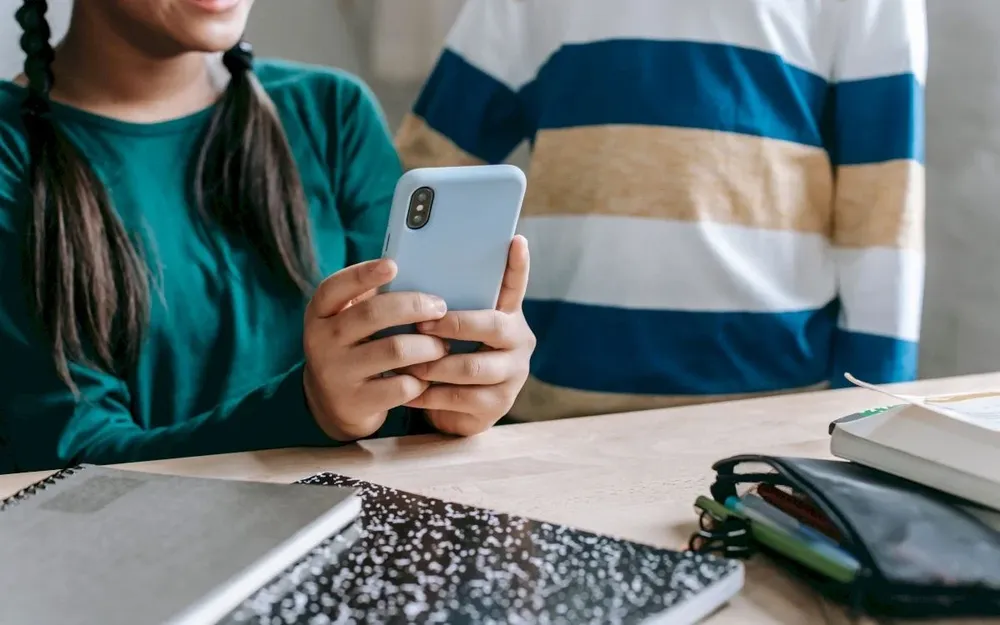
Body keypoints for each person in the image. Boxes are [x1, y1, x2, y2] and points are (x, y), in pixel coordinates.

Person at [0, 0, 535, 473]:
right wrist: (309, 410)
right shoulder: (11, 152)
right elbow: (66, 461)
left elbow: (398, 401)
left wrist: (447, 399)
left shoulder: (332, 113)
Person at [397, 0, 927, 421]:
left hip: (769, 412)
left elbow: (883, 211)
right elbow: (423, 175)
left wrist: (873, 414)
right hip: (554, 408)